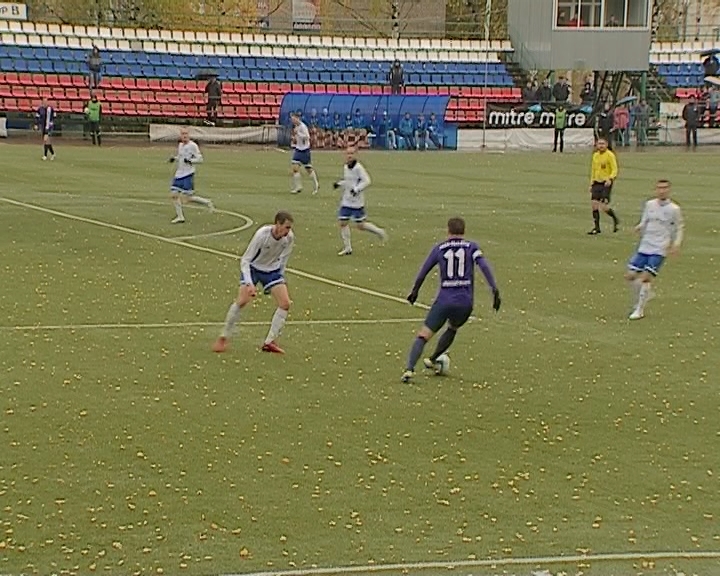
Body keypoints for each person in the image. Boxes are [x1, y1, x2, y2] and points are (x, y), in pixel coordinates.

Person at [401, 217, 501, 383]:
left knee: (423, 335)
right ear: (464, 231)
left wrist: (415, 291)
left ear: (448, 231)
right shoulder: (472, 247)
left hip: (444, 301)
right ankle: (433, 359)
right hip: (465, 303)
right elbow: (484, 266)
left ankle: (409, 369)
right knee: (453, 328)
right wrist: (494, 289)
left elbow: (424, 270)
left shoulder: (439, 248)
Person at [213, 211, 295, 354]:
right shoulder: (262, 235)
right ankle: (223, 337)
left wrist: (279, 278)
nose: (288, 231)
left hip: (272, 271)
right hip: (253, 269)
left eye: (290, 228)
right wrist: (249, 283)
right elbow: (245, 260)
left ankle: (269, 342)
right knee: (242, 301)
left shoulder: (289, 238)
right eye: (286, 227)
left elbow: (284, 259)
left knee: (285, 303)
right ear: (277, 224)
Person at [624, 180, 684, 320]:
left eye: (665, 188)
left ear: (669, 190)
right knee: (630, 276)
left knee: (646, 278)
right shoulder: (649, 204)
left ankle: (639, 310)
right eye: (659, 188)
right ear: (656, 190)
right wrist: (639, 227)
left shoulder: (674, 209)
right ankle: (646, 295)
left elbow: (679, 227)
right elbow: (645, 220)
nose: (662, 191)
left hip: (660, 248)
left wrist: (676, 244)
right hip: (645, 245)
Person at [334, 146, 388, 256]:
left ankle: (379, 231)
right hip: (346, 200)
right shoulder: (346, 167)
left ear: (356, 155)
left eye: (351, 154)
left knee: (361, 225)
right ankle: (347, 248)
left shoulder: (358, 168)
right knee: (343, 223)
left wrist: (357, 189)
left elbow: (367, 180)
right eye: (348, 153)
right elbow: (349, 181)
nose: (349, 156)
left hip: (357, 202)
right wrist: (340, 184)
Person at [168, 127, 214, 224]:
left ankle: (207, 202)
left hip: (188, 174)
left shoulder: (193, 146)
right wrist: (175, 158)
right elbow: (181, 156)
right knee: (174, 195)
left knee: (188, 198)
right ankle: (180, 217)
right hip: (179, 174)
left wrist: (190, 161)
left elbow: (200, 159)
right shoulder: (180, 145)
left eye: (186, 134)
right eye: (182, 134)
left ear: (189, 135)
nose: (184, 136)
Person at [587, 138, 620, 235]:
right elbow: (593, 170)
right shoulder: (595, 155)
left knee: (603, 207)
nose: (601, 146)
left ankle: (615, 219)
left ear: (606, 144)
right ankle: (596, 228)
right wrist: (591, 183)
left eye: (603, 144)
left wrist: (611, 178)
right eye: (599, 144)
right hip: (596, 183)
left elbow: (614, 169)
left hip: (606, 183)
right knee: (594, 205)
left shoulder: (610, 155)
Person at [289, 111, 319, 195]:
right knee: (295, 167)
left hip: (305, 150)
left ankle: (316, 184)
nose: (293, 121)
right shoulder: (296, 127)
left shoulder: (303, 127)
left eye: (294, 119)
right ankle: (298, 187)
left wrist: (298, 134)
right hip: (298, 149)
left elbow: (307, 137)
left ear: (297, 118)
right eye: (292, 119)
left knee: (308, 169)